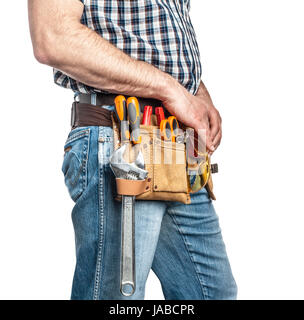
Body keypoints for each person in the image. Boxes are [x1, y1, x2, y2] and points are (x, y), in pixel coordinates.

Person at [28, 0, 237, 300]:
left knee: (213, 292)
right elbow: (53, 38)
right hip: (122, 144)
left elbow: (152, 40)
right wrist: (170, 90)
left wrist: (197, 94)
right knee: (117, 301)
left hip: (179, 153)